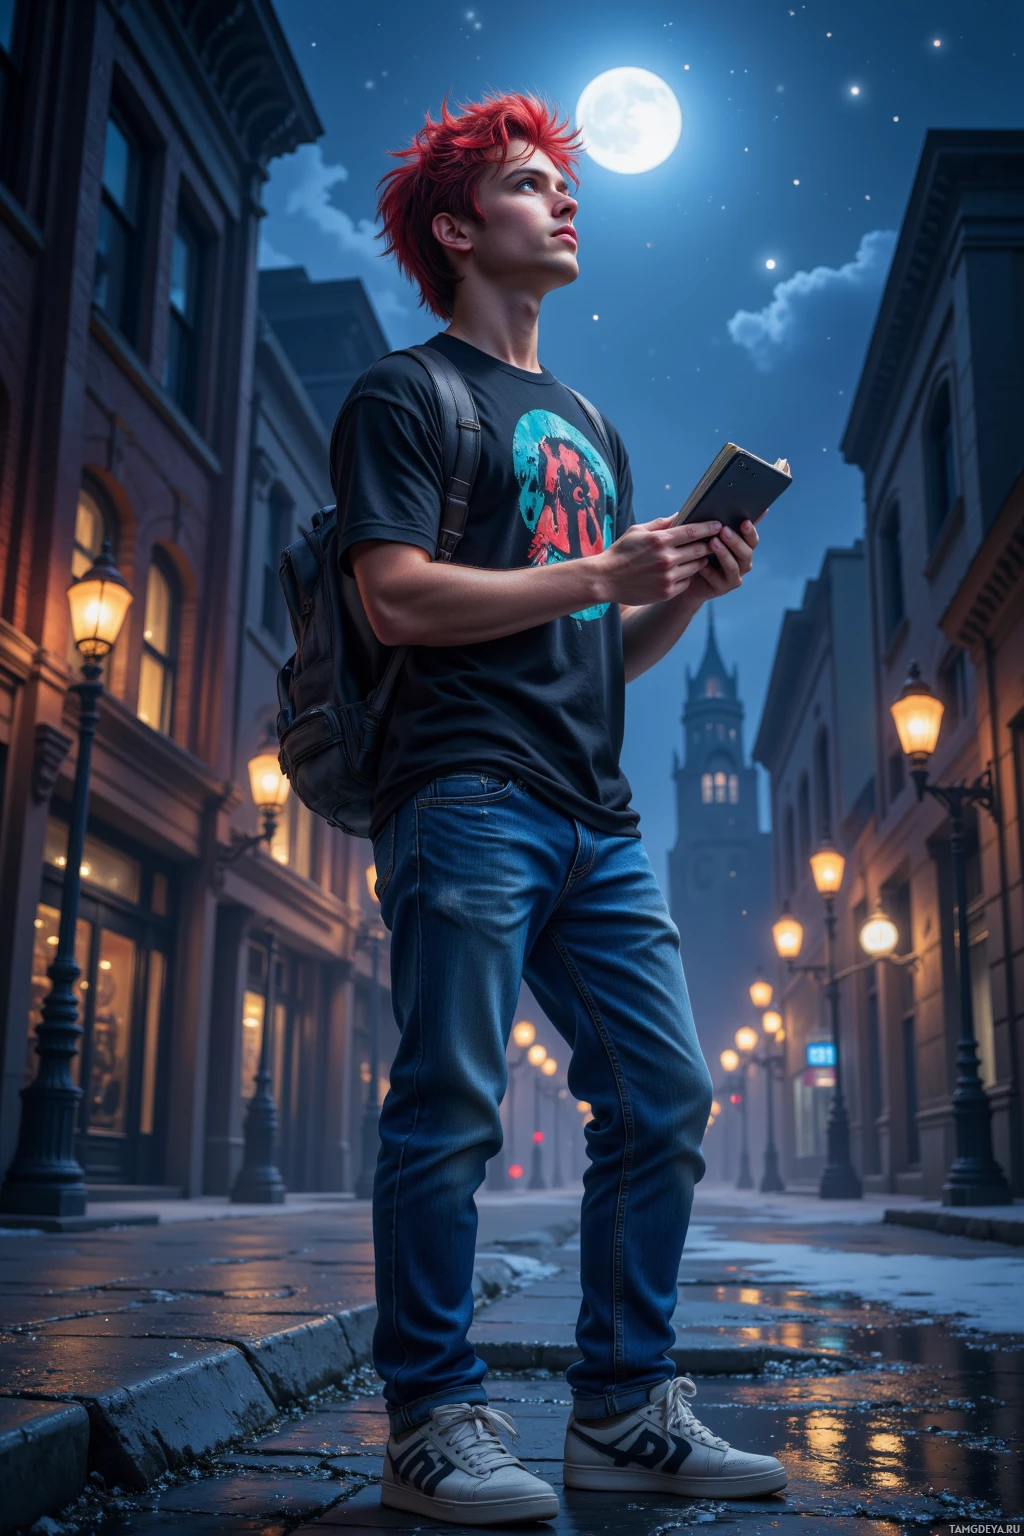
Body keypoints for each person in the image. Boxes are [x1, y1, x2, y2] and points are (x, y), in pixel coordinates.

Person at [332, 91, 786, 1527]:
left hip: (597, 813)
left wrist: (673, 593)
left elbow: (598, 647)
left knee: (663, 1095)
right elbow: (396, 598)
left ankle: (622, 1411)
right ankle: (432, 1418)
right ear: (461, 230)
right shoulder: (407, 396)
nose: (566, 204)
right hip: (463, 791)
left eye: (565, 187)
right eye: (533, 187)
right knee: (453, 1104)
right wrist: (603, 575)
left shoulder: (586, 424)